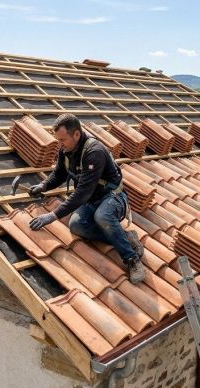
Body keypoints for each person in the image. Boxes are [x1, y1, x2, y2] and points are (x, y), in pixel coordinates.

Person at [28, 113, 146, 283]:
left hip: (112, 197)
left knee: (102, 216)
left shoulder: (94, 152)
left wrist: (52, 216)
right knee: (76, 226)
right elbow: (59, 173)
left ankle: (132, 259)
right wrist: (44, 185)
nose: (60, 144)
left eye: (63, 140)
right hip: (91, 200)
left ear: (76, 134)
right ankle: (126, 237)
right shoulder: (66, 150)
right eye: (58, 140)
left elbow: (83, 192)